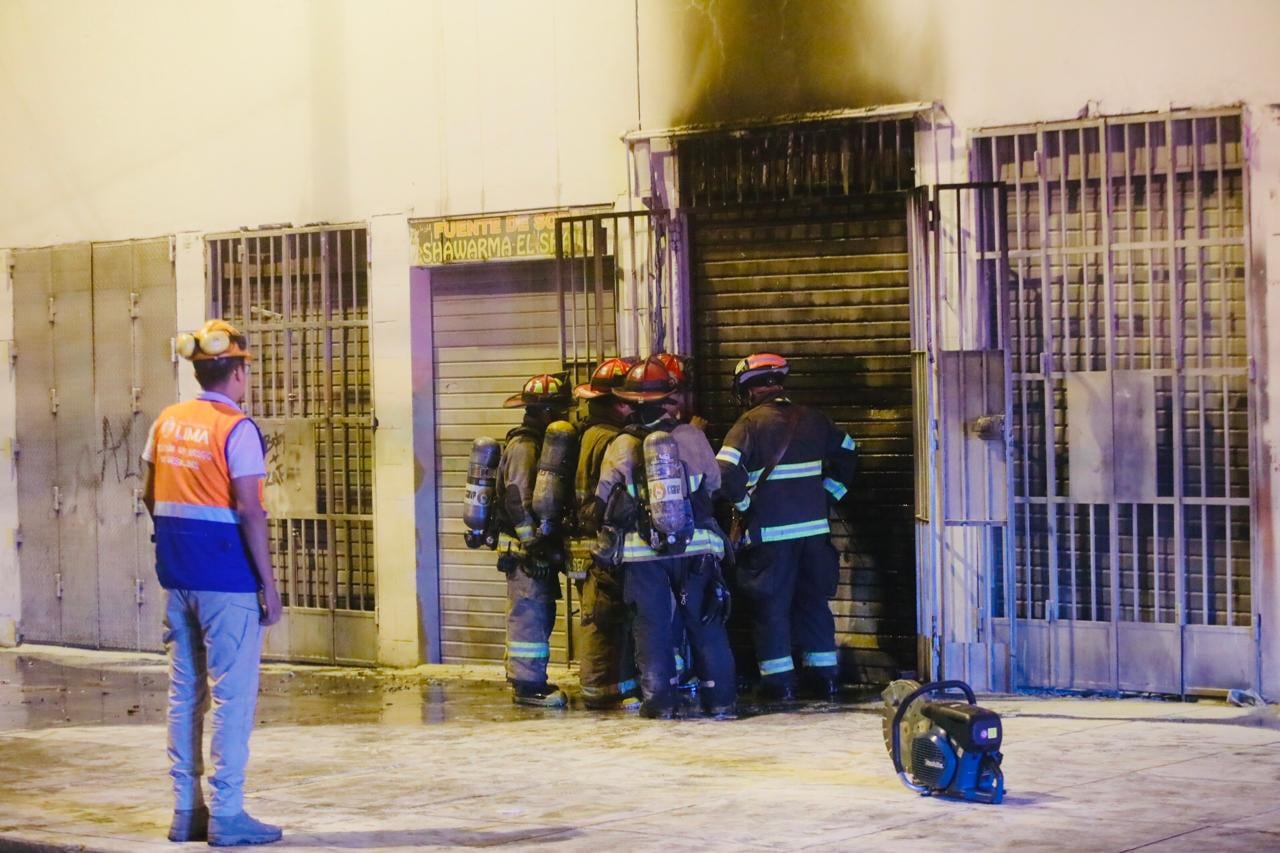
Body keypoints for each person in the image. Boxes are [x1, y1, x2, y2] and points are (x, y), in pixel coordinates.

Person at [141, 319, 283, 847]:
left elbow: (149, 495)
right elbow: (251, 510)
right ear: (239, 371)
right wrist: (269, 584)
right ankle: (227, 815)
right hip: (226, 578)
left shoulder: (167, 421)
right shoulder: (237, 429)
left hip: (177, 574)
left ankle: (186, 812)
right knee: (232, 697)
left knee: (185, 695)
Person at [594, 357, 736, 720]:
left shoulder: (620, 444)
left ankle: (660, 704)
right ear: (668, 399)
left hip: (644, 557)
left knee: (652, 630)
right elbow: (716, 487)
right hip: (698, 549)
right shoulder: (693, 436)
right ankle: (720, 701)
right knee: (706, 625)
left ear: (630, 403)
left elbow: (603, 498)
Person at [715, 353, 859, 702]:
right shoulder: (815, 420)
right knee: (813, 604)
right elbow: (849, 453)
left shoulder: (748, 426)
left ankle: (780, 684)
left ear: (748, 390)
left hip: (770, 538)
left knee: (771, 608)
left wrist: (746, 505)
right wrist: (826, 496)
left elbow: (723, 473)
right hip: (814, 533)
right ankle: (824, 678)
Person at [496, 373, 573, 707]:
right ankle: (528, 687)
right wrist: (533, 544)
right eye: (557, 411)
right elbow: (516, 498)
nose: (563, 418)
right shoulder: (524, 446)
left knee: (538, 612)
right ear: (544, 412)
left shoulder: (536, 444)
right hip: (524, 552)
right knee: (528, 615)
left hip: (534, 550)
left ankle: (530, 680)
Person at [571, 357, 641, 710]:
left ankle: (613, 686)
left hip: (588, 541)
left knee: (605, 616)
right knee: (600, 619)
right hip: (601, 541)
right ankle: (599, 690)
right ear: (618, 402)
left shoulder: (589, 433)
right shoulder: (611, 439)